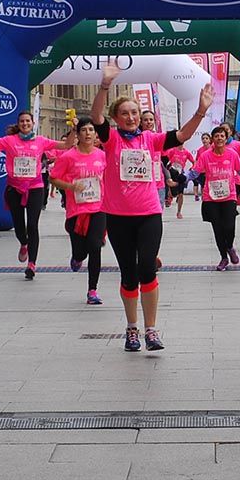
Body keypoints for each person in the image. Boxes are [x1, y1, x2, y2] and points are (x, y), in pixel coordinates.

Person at [91, 61, 212, 352]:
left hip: (148, 215)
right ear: (117, 118)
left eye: (135, 113)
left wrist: (201, 110)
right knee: (128, 274)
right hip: (118, 216)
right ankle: (131, 329)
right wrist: (105, 85)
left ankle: (151, 329)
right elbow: (95, 117)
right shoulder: (111, 140)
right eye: (125, 113)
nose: (131, 117)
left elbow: (182, 135)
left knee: (147, 268)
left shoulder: (152, 139)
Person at [0, 110, 74, 279]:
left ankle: (32, 264)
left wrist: (74, 129)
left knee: (33, 226)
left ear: (33, 123)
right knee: (20, 227)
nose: (25, 124)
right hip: (14, 189)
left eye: (28, 121)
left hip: (35, 187)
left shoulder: (41, 141)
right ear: (18, 124)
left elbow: (66, 145)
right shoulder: (9, 141)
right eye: (22, 121)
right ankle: (23, 243)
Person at [49, 117, 107, 306]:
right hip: (76, 211)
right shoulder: (68, 157)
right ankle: (76, 258)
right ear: (78, 134)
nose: (88, 133)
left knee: (95, 247)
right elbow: (53, 179)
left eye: (91, 130)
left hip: (98, 208)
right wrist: (71, 187)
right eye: (84, 130)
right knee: (81, 252)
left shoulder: (101, 155)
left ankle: (92, 290)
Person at [193, 126, 240, 270]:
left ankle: (229, 246)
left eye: (222, 136)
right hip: (211, 198)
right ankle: (223, 257)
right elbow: (195, 171)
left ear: (226, 137)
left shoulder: (232, 154)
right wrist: (182, 179)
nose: (219, 139)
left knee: (229, 227)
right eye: (216, 136)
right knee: (217, 229)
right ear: (212, 139)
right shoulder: (205, 156)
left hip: (229, 196)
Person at [166, 144, 195, 219]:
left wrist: (190, 170)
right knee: (171, 192)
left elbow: (194, 162)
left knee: (181, 194)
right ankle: (169, 198)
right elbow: (165, 161)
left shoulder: (186, 152)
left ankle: (179, 212)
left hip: (180, 174)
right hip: (172, 173)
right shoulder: (172, 150)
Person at [192, 132, 211, 201]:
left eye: (206, 138)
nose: (205, 140)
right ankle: (204, 200)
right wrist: (194, 169)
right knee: (203, 186)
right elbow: (197, 160)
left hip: (211, 172)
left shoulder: (213, 148)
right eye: (203, 138)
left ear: (210, 140)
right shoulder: (200, 150)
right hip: (202, 172)